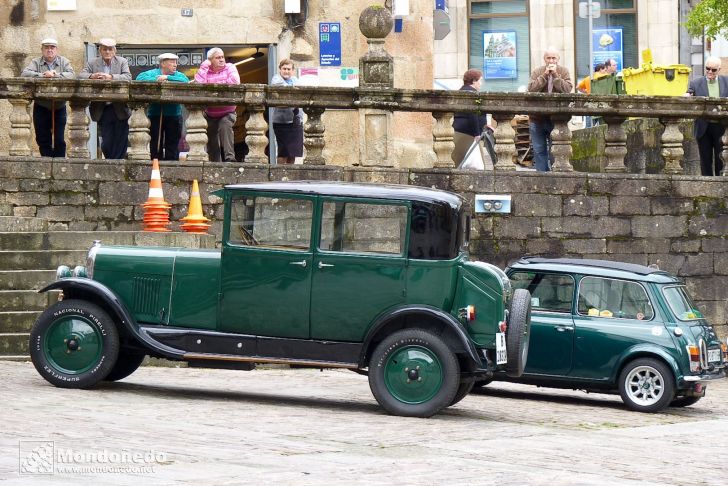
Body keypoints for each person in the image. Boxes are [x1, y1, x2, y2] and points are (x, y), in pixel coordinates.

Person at [78, 38, 132, 159]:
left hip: (119, 106)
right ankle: (110, 161)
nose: (107, 52)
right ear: (100, 51)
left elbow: (128, 77)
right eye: (104, 49)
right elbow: (81, 75)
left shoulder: (122, 61)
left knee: (121, 139)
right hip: (102, 108)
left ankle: (117, 165)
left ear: (114, 51)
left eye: (110, 49)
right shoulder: (93, 63)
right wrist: (92, 76)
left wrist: (111, 76)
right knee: (107, 142)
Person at [20, 38, 75, 157]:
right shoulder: (36, 62)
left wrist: (56, 74)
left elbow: (71, 74)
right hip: (41, 105)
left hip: (59, 106)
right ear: (42, 50)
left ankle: (59, 164)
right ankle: (46, 161)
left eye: (52, 47)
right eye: (46, 47)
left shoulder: (63, 61)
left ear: (57, 49)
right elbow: (25, 73)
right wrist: (42, 75)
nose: (49, 50)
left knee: (59, 139)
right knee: (42, 138)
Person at [136, 53, 190, 161]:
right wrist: (157, 79)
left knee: (173, 143)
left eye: (176, 62)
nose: (175, 65)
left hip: (174, 114)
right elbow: (139, 78)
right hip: (155, 113)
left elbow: (185, 81)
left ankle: (172, 167)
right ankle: (155, 166)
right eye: (172, 62)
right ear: (162, 63)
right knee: (155, 142)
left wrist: (167, 77)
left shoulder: (178, 75)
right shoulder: (152, 73)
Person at [527, 48, 573, 172]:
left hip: (557, 119)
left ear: (558, 59)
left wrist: (556, 76)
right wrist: (545, 75)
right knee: (539, 150)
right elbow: (531, 89)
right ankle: (542, 178)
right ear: (544, 59)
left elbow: (567, 89)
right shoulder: (537, 71)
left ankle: (556, 176)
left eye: (554, 58)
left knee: (556, 151)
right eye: (548, 58)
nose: (551, 61)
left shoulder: (563, 71)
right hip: (537, 118)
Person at [194, 47, 240, 162]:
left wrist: (212, 85)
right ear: (210, 60)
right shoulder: (206, 70)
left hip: (227, 111)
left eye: (222, 57)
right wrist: (204, 67)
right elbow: (199, 85)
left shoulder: (230, 67)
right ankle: (215, 162)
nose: (221, 59)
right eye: (217, 57)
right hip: (210, 113)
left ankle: (230, 158)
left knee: (225, 126)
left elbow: (234, 82)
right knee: (211, 138)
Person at [687, 56, 728, 176]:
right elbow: (689, 93)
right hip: (703, 127)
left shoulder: (726, 81)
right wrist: (687, 96)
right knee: (705, 160)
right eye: (707, 68)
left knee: (721, 159)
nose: (710, 72)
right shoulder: (696, 83)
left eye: (713, 70)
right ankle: (706, 185)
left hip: (722, 126)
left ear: (719, 70)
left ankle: (720, 186)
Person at [451, 69, 489, 166]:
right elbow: (472, 114)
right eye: (480, 80)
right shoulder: (471, 93)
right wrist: (477, 133)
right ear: (474, 81)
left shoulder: (461, 91)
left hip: (459, 131)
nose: (481, 83)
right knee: (478, 166)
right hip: (468, 134)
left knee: (457, 162)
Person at [270, 59, 303, 164]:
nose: (286, 71)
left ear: (293, 71)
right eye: (284, 69)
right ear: (280, 69)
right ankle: (279, 176)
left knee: (293, 153)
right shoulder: (276, 79)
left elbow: (301, 93)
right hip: (281, 122)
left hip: (296, 120)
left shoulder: (296, 80)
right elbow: (282, 88)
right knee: (283, 152)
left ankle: (290, 178)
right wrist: (294, 90)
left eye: (289, 69)